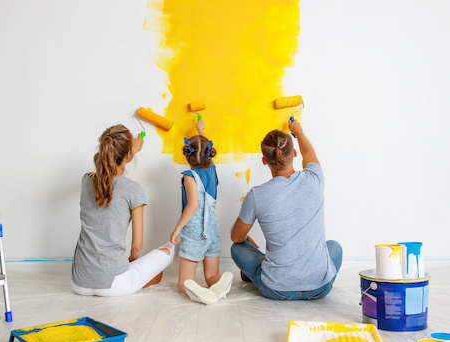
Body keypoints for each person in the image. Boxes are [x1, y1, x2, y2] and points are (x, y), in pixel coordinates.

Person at [230, 118, 343, 300]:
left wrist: (245, 239)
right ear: (295, 153)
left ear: (264, 161)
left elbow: (236, 237)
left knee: (237, 248)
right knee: (334, 247)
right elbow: (310, 152)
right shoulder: (315, 178)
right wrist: (297, 131)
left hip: (277, 289)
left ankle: (256, 275)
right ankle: (313, 279)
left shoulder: (257, 195)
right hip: (321, 287)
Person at [71, 124, 176, 296]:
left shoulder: (86, 181)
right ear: (128, 154)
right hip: (114, 285)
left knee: (152, 273)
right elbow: (137, 246)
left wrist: (127, 153)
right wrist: (132, 265)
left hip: (79, 282)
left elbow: (103, 175)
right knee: (170, 251)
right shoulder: (133, 189)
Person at [170, 119, 233, 305]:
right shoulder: (212, 170)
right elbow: (205, 154)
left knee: (183, 280)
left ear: (187, 156)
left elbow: (193, 206)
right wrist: (200, 129)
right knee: (211, 275)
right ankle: (219, 282)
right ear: (209, 154)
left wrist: (177, 229)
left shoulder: (190, 176)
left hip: (195, 233)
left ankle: (192, 288)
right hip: (212, 230)